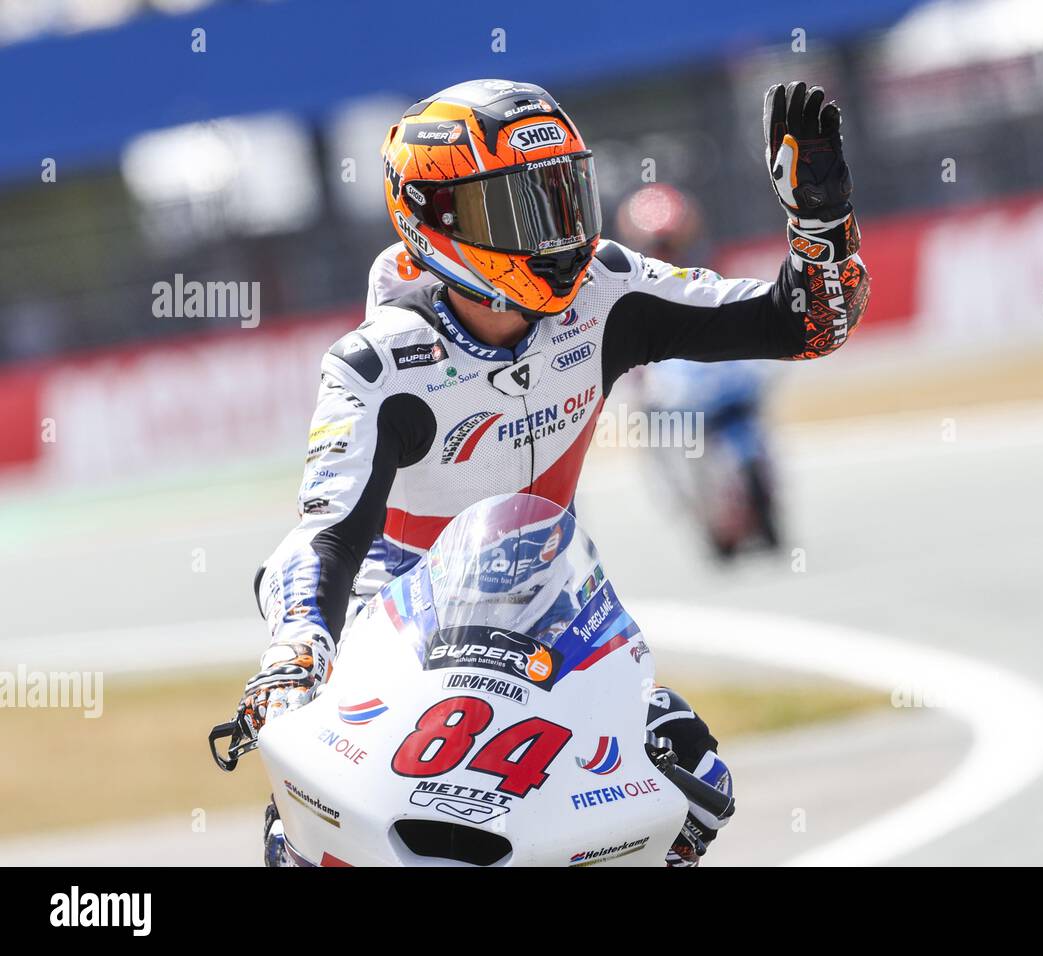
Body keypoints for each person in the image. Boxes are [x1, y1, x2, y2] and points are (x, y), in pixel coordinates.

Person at [242, 78, 869, 866]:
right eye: (520, 209)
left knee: (691, 781)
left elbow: (807, 322)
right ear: (437, 219)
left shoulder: (607, 292)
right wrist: (296, 656)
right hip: (391, 647)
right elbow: (324, 538)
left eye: (565, 196)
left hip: (549, 627)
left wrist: (821, 221)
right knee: (312, 829)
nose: (559, 233)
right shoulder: (376, 365)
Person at [615, 183, 782, 559]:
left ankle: (760, 485)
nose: (666, 252)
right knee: (653, 434)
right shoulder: (626, 287)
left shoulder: (707, 272)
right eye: (658, 245)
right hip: (670, 388)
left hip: (716, 373)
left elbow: (732, 310)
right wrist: (639, 382)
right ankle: (690, 503)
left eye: (671, 242)